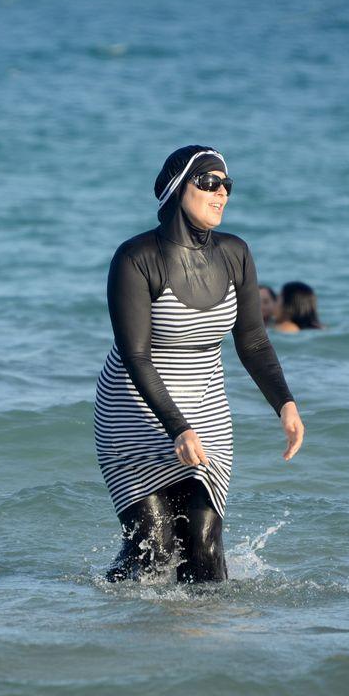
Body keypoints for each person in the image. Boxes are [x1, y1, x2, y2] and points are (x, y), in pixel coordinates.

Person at [95, 146, 304, 583]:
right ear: (176, 188)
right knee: (152, 547)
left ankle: (204, 646)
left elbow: (252, 340)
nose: (221, 192)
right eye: (209, 182)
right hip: (133, 413)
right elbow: (135, 356)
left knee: (204, 547)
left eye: (227, 184)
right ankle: (113, 627)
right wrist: (176, 427)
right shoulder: (135, 259)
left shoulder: (235, 254)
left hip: (206, 412)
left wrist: (284, 404)